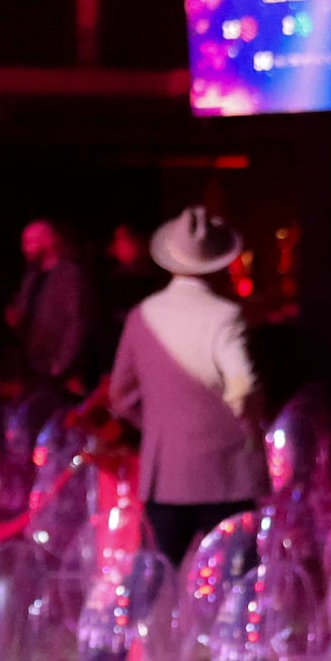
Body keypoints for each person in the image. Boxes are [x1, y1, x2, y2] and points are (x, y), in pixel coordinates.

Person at [109, 208, 262, 569]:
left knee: (156, 582)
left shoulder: (141, 315)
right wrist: (251, 428)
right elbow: (242, 384)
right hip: (226, 476)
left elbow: (119, 395)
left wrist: (158, 423)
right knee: (234, 589)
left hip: (166, 474)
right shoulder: (225, 315)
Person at [8, 220, 93, 391]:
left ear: (48, 241)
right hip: (31, 363)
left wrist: (61, 364)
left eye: (31, 242)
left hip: (55, 367)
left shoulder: (69, 274)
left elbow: (77, 322)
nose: (25, 248)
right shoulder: (32, 275)